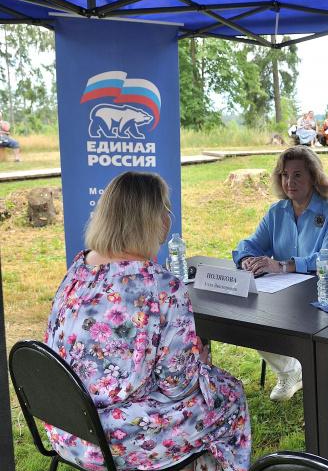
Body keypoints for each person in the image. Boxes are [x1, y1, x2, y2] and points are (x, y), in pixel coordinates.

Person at [43, 171, 251, 471]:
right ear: (153, 220)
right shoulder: (161, 287)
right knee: (229, 396)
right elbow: (177, 386)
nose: (168, 218)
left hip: (64, 424)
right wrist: (199, 363)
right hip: (109, 440)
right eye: (165, 209)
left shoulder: (79, 268)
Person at [233, 146, 328, 401]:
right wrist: (245, 259)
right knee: (249, 317)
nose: (290, 182)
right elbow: (250, 244)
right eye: (285, 175)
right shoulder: (277, 211)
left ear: (314, 177)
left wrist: (283, 265)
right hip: (287, 290)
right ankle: (290, 371)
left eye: (298, 175)